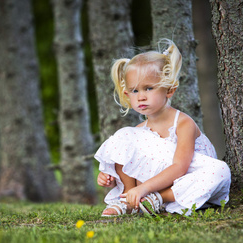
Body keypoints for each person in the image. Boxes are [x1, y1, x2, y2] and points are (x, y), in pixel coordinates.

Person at [94, 39, 231, 217]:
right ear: (127, 94)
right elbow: (137, 168)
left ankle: (158, 199)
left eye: (148, 88)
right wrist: (110, 178)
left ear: (169, 90)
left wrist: (144, 188)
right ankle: (127, 200)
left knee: (221, 171)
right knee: (124, 136)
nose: (141, 97)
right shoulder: (138, 132)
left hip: (187, 180)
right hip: (152, 184)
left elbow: (180, 167)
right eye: (135, 91)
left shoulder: (183, 123)